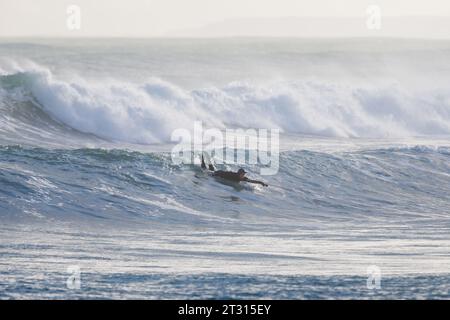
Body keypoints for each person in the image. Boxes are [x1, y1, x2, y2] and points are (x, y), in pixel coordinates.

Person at [201, 155, 268, 187]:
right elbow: (222, 174)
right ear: (239, 174)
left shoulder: (243, 178)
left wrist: (262, 183)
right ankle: (202, 159)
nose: (243, 175)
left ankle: (205, 157)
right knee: (205, 170)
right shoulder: (233, 175)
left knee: (211, 168)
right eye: (242, 174)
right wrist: (214, 175)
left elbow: (252, 181)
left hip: (219, 173)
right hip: (219, 174)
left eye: (244, 174)